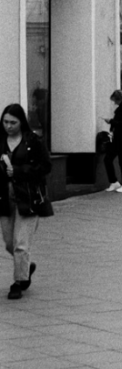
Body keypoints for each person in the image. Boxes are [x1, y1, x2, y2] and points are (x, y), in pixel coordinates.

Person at [0, 104, 51, 300]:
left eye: (13, 122)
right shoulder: (0, 141)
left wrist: (19, 171)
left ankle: (19, 282)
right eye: (5, 122)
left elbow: (45, 166)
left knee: (21, 244)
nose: (8, 126)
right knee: (9, 243)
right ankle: (26, 267)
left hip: (28, 199)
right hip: (5, 199)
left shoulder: (33, 141)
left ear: (21, 122)